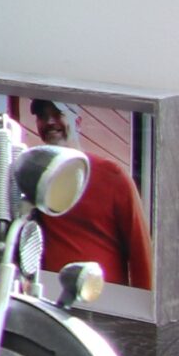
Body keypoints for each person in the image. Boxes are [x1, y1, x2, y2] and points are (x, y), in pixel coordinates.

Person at [32, 100, 154, 290]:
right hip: (51, 300)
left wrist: (143, 310)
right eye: (42, 115)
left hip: (103, 301)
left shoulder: (112, 175)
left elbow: (140, 250)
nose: (49, 121)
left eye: (58, 113)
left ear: (78, 122)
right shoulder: (33, 176)